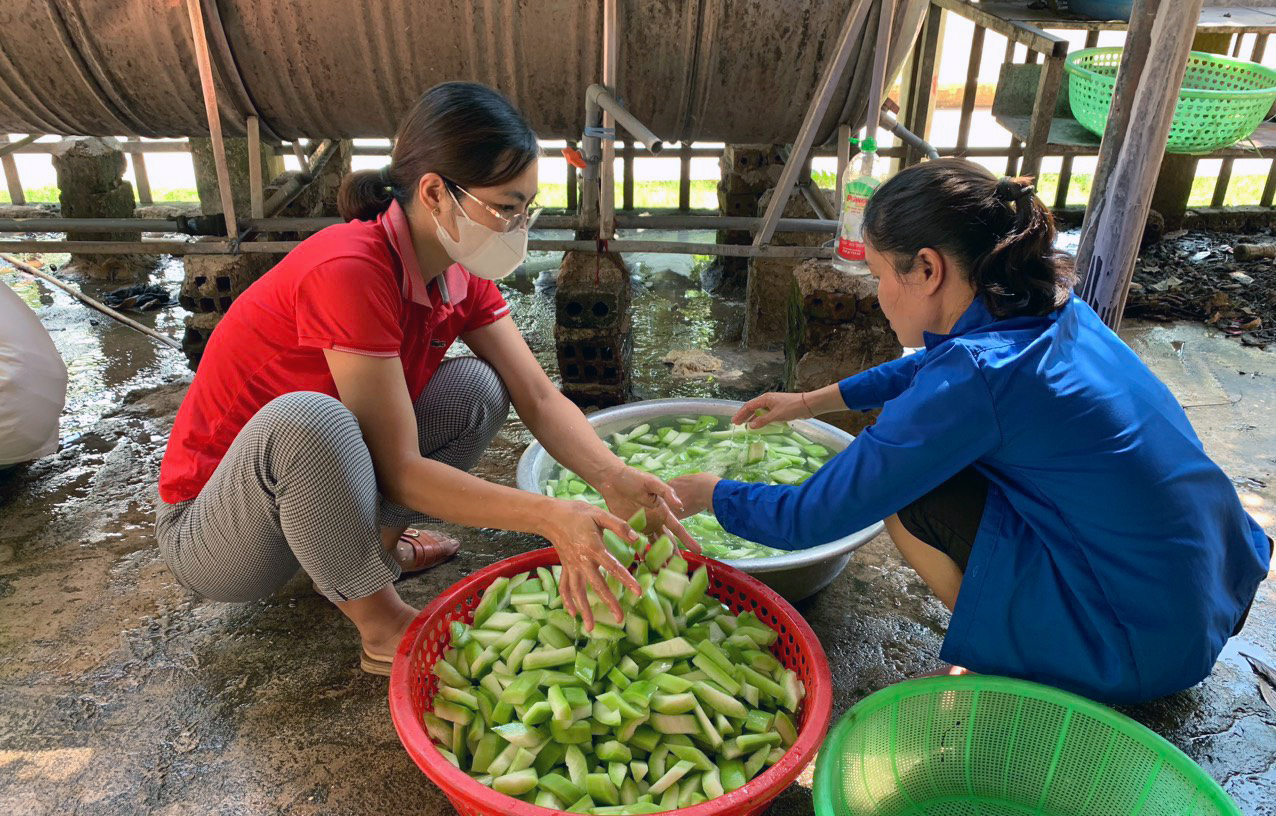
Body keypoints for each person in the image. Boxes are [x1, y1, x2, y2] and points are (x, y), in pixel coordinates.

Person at [670, 158, 1270, 704]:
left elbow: (812, 517)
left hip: (1140, 649)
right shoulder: (1054, 309)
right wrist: (809, 402)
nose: (877, 294)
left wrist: (707, 493)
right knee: (941, 465)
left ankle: (1023, 665)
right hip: (1212, 588)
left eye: (878, 274)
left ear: (927, 269)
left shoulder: (976, 380)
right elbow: (934, 368)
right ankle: (1031, 634)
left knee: (907, 499)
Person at [156, 82, 692, 675]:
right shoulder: (351, 269)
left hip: (314, 501)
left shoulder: (459, 269)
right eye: (506, 206)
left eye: (527, 208)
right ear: (436, 192)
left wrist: (612, 477)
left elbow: (536, 394)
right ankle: (380, 621)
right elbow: (400, 468)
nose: (518, 226)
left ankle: (366, 560)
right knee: (308, 420)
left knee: (480, 389)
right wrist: (549, 516)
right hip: (219, 533)